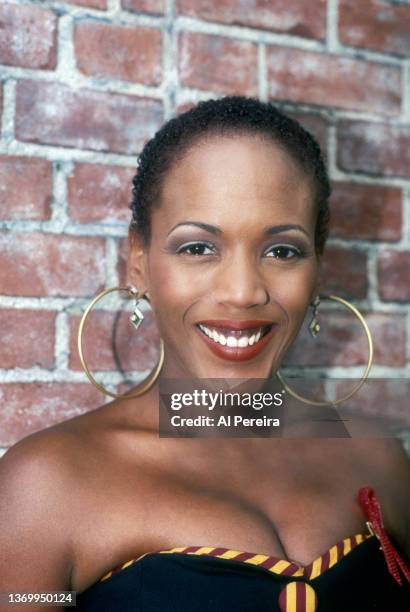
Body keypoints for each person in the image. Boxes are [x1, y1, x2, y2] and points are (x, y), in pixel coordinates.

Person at [0, 96, 409, 611]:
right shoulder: (47, 485)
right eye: (198, 247)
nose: (242, 292)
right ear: (139, 262)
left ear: (317, 268)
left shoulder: (381, 460)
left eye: (281, 250)